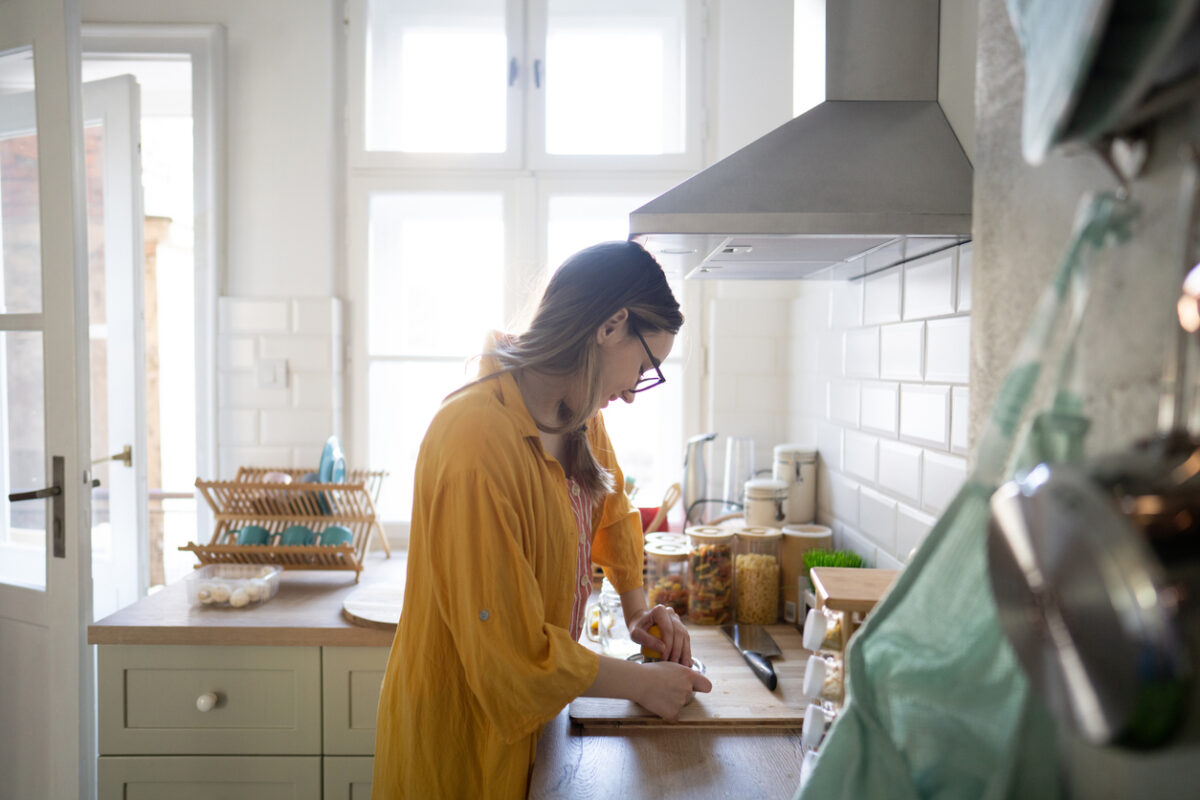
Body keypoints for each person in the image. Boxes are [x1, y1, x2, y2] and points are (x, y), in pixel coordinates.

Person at [371, 241, 712, 799]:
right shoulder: (474, 439)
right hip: (460, 740)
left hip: (535, 721)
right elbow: (509, 652)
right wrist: (641, 684)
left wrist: (638, 610)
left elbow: (613, 506)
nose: (632, 392)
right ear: (611, 325)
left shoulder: (576, 414)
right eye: (647, 365)